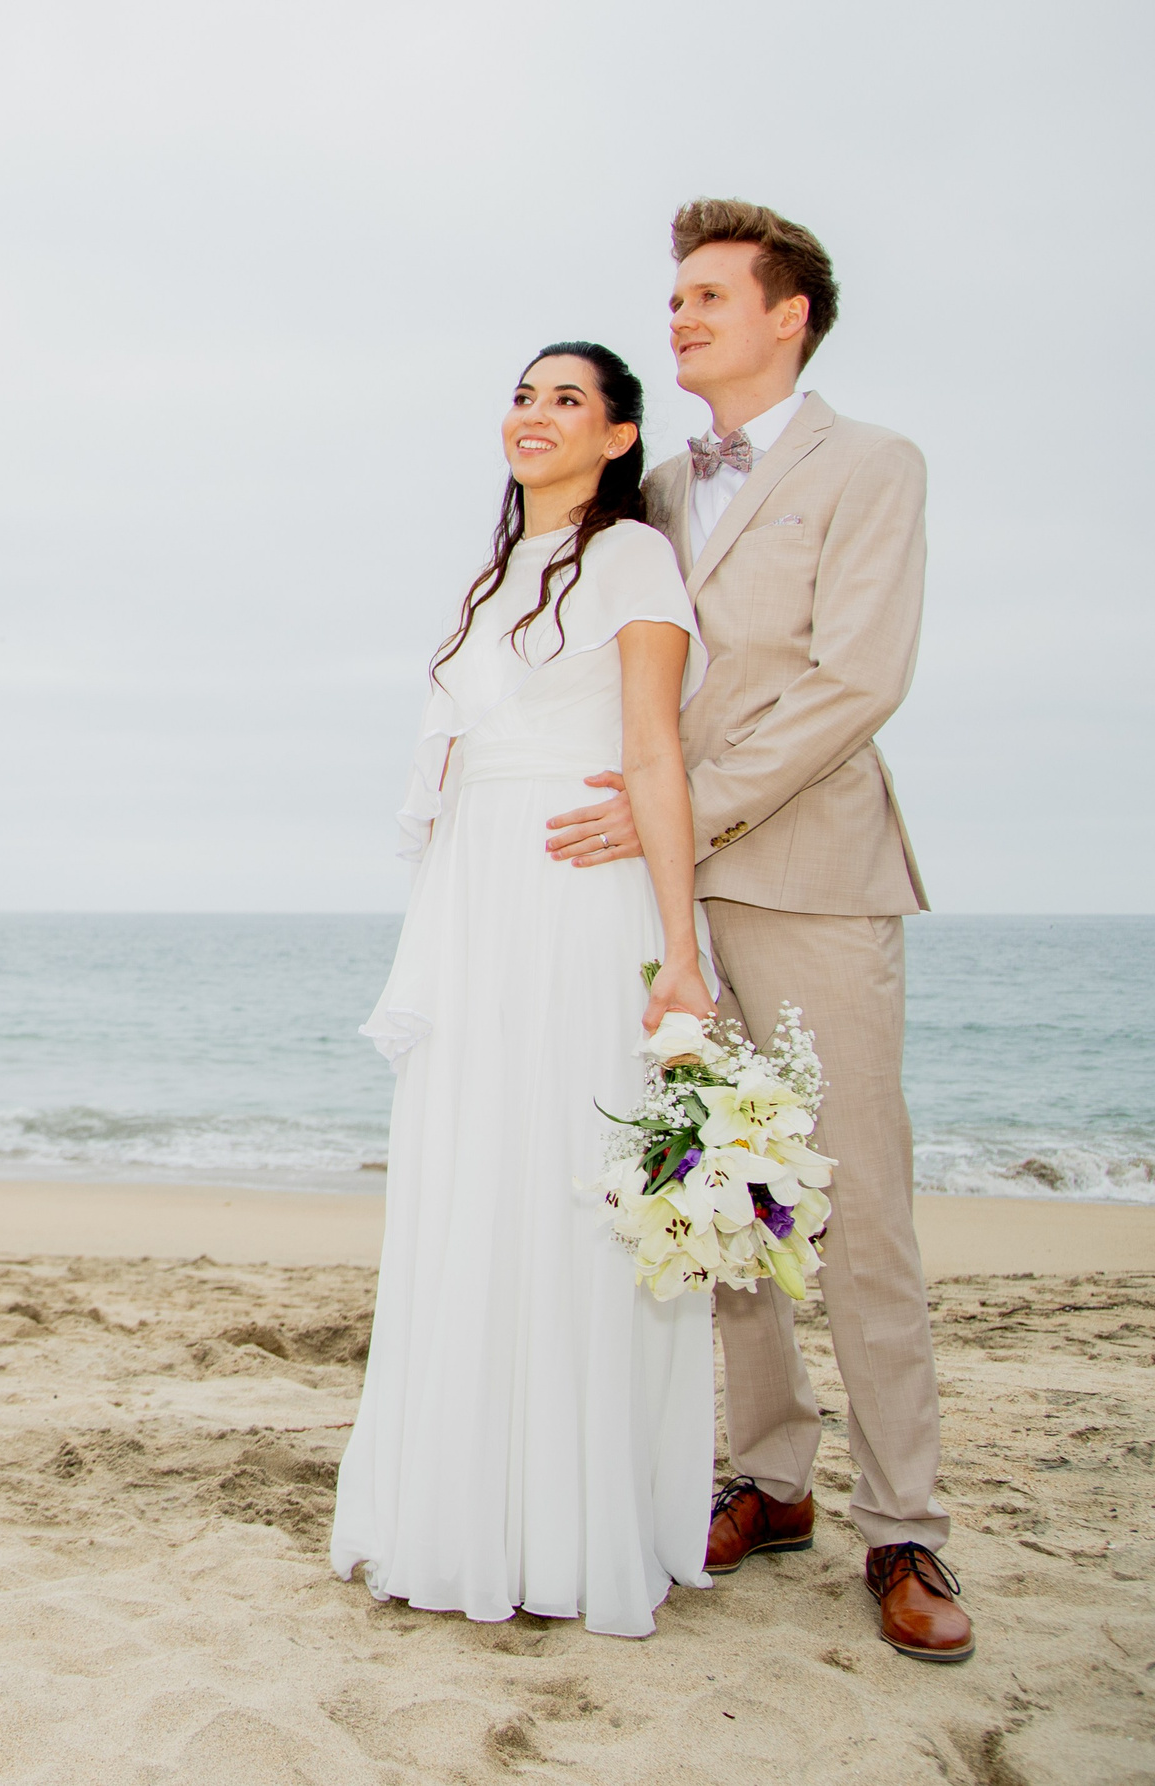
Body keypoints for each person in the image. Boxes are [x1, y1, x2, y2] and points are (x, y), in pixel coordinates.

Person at [541, 199, 970, 1662]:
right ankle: (770, 1476)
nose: (680, 318)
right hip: (665, 897)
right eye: (672, 300)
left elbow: (858, 680)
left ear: (791, 314)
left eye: (710, 294)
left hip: (817, 876)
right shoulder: (655, 491)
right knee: (716, 1197)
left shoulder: (877, 467)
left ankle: (906, 1520)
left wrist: (694, 811)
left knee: (856, 1206)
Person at [330, 342, 717, 1638]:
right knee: (471, 1172)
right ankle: (454, 1507)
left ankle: (566, 1521)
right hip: (474, 900)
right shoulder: (494, 577)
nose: (535, 415)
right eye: (523, 394)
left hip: (568, 897)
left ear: (619, 438)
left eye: (569, 399)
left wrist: (683, 950)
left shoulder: (633, 561)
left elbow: (654, 751)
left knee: (561, 1173)